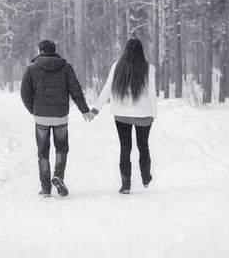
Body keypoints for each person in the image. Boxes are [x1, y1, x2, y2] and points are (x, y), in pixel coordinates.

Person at [20, 40, 94, 197]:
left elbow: (24, 94)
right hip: (60, 116)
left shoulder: (31, 69)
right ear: (54, 50)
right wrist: (84, 110)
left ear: (40, 51)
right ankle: (58, 176)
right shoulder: (65, 67)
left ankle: (46, 188)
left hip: (41, 118)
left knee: (43, 152)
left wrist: (33, 111)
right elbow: (76, 90)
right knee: (61, 148)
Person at [89, 38, 157, 195]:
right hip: (142, 114)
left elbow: (107, 89)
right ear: (141, 50)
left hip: (121, 115)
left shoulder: (117, 66)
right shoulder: (148, 68)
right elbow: (152, 94)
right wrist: (153, 114)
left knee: (125, 148)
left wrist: (95, 109)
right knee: (143, 146)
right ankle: (146, 177)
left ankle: (125, 185)